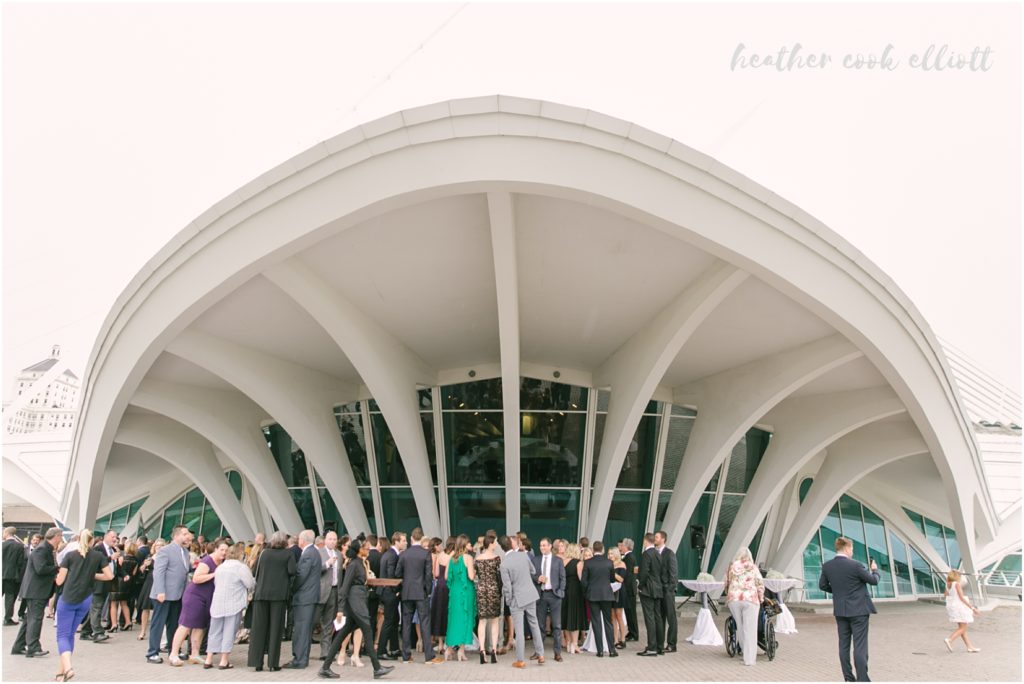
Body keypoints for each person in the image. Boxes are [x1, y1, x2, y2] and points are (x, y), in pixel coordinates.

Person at [318, 539, 394, 680]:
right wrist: (340, 609)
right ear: (359, 550)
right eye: (365, 548)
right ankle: (377, 668)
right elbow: (345, 588)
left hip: (357, 600)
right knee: (367, 630)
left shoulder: (358, 563)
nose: (368, 549)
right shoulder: (354, 564)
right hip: (355, 602)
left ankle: (325, 667)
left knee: (343, 634)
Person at [53, 530, 113, 681]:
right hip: (85, 599)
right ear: (93, 541)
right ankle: (61, 674)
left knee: (62, 635)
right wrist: (91, 575)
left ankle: (68, 668)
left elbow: (60, 581)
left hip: (68, 598)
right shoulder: (98, 556)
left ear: (79, 539)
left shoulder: (70, 555)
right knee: (70, 634)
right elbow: (109, 576)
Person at [818, 536, 880, 682]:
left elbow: (822, 585)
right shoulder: (856, 565)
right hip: (859, 611)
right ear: (846, 548)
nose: (852, 552)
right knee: (860, 646)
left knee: (843, 646)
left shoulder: (827, 566)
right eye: (852, 549)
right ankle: (862, 679)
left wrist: (839, 591)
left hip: (840, 611)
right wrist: (875, 570)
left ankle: (848, 678)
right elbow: (873, 581)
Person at [248, 531, 297, 672]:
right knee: (276, 629)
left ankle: (257, 663)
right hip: (279, 596)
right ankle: (272, 663)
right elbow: (292, 571)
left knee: (258, 629)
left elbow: (253, 571)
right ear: (285, 542)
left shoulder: (264, 553)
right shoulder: (288, 554)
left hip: (261, 594)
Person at [171, 540, 226, 665]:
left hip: (208, 598)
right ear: (215, 549)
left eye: (226, 550)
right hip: (195, 597)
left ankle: (195, 654)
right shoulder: (207, 561)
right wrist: (214, 574)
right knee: (186, 625)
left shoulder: (222, 562)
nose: (224, 552)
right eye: (222, 549)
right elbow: (196, 578)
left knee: (200, 626)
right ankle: (173, 654)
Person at [11, 526, 60, 658]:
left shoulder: (46, 549)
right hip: (36, 590)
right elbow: (40, 569)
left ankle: (18, 646)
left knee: (29, 619)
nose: (60, 539)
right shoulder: (42, 549)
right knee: (35, 619)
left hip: (35, 590)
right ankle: (33, 647)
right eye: (60, 537)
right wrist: (57, 568)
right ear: (55, 537)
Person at [395, 528, 442, 664]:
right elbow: (428, 575)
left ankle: (406, 655)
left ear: (411, 538)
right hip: (421, 592)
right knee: (425, 622)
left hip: (407, 592)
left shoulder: (404, 554)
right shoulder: (425, 553)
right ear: (421, 539)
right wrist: (428, 591)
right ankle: (429, 656)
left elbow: (398, 573)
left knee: (406, 623)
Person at [205, 543, 254, 670]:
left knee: (214, 631)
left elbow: (216, 582)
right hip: (234, 603)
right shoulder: (240, 567)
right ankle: (223, 660)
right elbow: (250, 583)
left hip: (217, 603)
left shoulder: (220, 567)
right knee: (229, 631)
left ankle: (209, 659)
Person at [498, 534, 544, 667]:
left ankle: (520, 660)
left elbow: (507, 587)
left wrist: (509, 601)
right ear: (512, 545)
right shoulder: (524, 555)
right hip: (530, 594)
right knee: (534, 625)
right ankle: (540, 654)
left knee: (519, 630)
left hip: (516, 598)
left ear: (502, 548)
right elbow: (533, 570)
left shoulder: (504, 564)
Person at [288, 530, 323, 669]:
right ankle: (302, 658)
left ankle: (299, 660)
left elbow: (301, 576)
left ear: (302, 540)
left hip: (304, 597)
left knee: (301, 629)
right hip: (310, 596)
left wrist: (292, 589)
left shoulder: (308, 554)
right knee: (305, 629)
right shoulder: (314, 552)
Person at [724, 546, 764, 667]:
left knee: (740, 627)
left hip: (734, 599)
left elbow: (726, 583)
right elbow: (759, 583)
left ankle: (743, 650)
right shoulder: (753, 567)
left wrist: (729, 594)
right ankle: (749, 659)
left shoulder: (731, 566)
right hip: (750, 599)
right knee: (750, 629)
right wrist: (761, 598)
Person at [80, 529, 118, 643]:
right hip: (98, 583)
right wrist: (111, 558)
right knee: (97, 607)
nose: (115, 539)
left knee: (96, 607)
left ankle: (85, 631)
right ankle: (98, 632)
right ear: (106, 536)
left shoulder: (112, 550)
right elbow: (95, 563)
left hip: (107, 582)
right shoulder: (98, 548)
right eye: (113, 537)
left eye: (116, 537)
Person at [581, 541, 617, 658]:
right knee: (608, 622)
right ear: (602, 549)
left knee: (596, 622)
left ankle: (600, 651)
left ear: (593, 550)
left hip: (593, 595)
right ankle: (612, 650)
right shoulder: (609, 562)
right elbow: (612, 579)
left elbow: (584, 581)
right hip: (606, 595)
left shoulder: (588, 563)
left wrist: (586, 593)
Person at [532, 537, 565, 662]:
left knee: (556, 625)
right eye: (540, 545)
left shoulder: (558, 561)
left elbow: (563, 578)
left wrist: (561, 592)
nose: (542, 548)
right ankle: (538, 652)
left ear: (550, 546)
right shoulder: (536, 560)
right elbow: (531, 575)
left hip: (555, 595)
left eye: (544, 545)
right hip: (541, 595)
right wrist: (537, 578)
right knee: (539, 625)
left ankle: (557, 653)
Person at [446, 534, 476, 661]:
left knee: (454, 620)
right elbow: (471, 576)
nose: (471, 546)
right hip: (466, 592)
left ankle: (448, 649)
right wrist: (474, 570)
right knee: (465, 619)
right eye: (469, 543)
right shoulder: (468, 558)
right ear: (464, 545)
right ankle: (461, 651)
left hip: (455, 592)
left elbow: (446, 577)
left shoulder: (452, 558)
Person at [474, 534, 502, 664]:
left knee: (482, 621)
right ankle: (494, 651)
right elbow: (498, 577)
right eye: (495, 542)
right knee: (495, 621)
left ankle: (482, 651)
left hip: (481, 590)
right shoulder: (496, 559)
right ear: (490, 543)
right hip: (493, 590)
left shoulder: (478, 559)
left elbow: (476, 576)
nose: (496, 544)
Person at [636, 533, 664, 657]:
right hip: (658, 589)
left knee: (650, 618)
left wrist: (640, 586)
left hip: (648, 589)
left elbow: (644, 573)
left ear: (645, 541)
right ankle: (659, 646)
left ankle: (652, 647)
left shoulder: (647, 554)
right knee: (658, 618)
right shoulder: (658, 553)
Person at [377, 532, 403, 660]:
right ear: (396, 541)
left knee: (394, 620)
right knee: (389, 621)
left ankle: (394, 648)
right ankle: (382, 650)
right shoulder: (392, 556)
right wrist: (397, 590)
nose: (405, 542)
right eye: (403, 540)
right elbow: (392, 575)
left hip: (386, 591)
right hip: (390, 592)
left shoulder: (388, 554)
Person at [943, 569, 981, 653]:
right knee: (963, 628)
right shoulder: (956, 584)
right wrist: (973, 608)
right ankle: (949, 639)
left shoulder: (948, 584)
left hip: (953, 608)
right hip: (960, 607)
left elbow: (945, 594)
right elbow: (962, 598)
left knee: (962, 628)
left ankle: (970, 647)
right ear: (957, 576)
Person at [318, 531, 342, 661]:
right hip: (321, 591)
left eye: (335, 539)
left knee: (328, 622)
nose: (333, 541)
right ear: (325, 540)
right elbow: (315, 570)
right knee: (313, 620)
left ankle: (325, 652)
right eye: (330, 539)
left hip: (334, 591)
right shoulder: (319, 552)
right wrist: (327, 564)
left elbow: (340, 575)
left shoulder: (339, 554)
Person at [653, 530, 678, 652]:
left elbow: (673, 574)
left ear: (663, 539)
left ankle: (672, 644)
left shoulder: (669, 554)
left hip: (667, 591)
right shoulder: (654, 553)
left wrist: (669, 589)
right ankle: (659, 643)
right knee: (660, 617)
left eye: (656, 537)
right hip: (657, 591)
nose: (655, 539)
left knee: (671, 617)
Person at [135, 540, 164, 642]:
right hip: (149, 582)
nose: (159, 547)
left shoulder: (165, 557)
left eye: (161, 545)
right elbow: (141, 569)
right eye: (157, 545)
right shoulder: (150, 557)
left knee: (158, 609)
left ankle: (156, 633)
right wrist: (144, 566)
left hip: (160, 583)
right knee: (145, 607)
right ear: (154, 547)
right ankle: (142, 631)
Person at [560, 543, 585, 655]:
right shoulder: (578, 563)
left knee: (566, 616)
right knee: (575, 617)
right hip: (575, 591)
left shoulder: (562, 562)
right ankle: (574, 644)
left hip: (565, 590)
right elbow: (581, 578)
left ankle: (569, 641)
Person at [110, 542, 138, 631]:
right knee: (124, 603)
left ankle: (114, 624)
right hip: (127, 583)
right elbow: (133, 573)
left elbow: (118, 569)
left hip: (118, 582)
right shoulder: (136, 561)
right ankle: (128, 622)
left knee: (113, 604)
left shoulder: (121, 558)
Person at [430, 537, 451, 658]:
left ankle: (441, 643)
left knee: (439, 614)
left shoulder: (439, 556)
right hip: (448, 586)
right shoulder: (450, 557)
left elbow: (436, 574)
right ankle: (447, 643)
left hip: (439, 587)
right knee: (448, 614)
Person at [3, 527, 27, 626]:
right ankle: (7, 618)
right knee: (9, 597)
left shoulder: (2, 545)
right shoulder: (20, 546)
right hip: (12, 575)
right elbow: (21, 562)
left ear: (6, 533)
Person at [618, 538, 639, 642]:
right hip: (629, 588)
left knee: (631, 612)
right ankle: (631, 632)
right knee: (629, 612)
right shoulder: (630, 557)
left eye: (622, 545)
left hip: (629, 589)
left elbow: (629, 575)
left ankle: (634, 633)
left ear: (626, 546)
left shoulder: (629, 558)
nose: (620, 547)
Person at [607, 547, 628, 649]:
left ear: (616, 554)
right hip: (610, 591)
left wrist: (612, 571)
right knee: (612, 616)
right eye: (609, 553)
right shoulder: (608, 564)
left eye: (611, 553)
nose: (610, 555)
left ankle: (622, 639)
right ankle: (615, 639)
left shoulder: (621, 564)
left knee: (619, 615)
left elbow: (621, 579)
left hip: (619, 592)